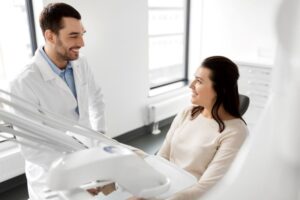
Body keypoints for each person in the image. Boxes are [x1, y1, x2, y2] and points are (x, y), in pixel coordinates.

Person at [10, 3, 106, 199]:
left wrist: (100, 140)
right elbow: (32, 149)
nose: (82, 43)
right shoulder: (23, 83)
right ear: (50, 36)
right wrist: (76, 175)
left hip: (87, 157)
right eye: (73, 36)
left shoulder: (81, 63)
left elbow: (97, 100)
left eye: (82, 34)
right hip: (50, 176)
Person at [157, 56, 248, 200]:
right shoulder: (187, 113)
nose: (191, 85)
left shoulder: (235, 132)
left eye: (199, 81)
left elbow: (206, 187)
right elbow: (162, 157)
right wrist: (149, 189)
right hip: (164, 186)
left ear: (220, 89)